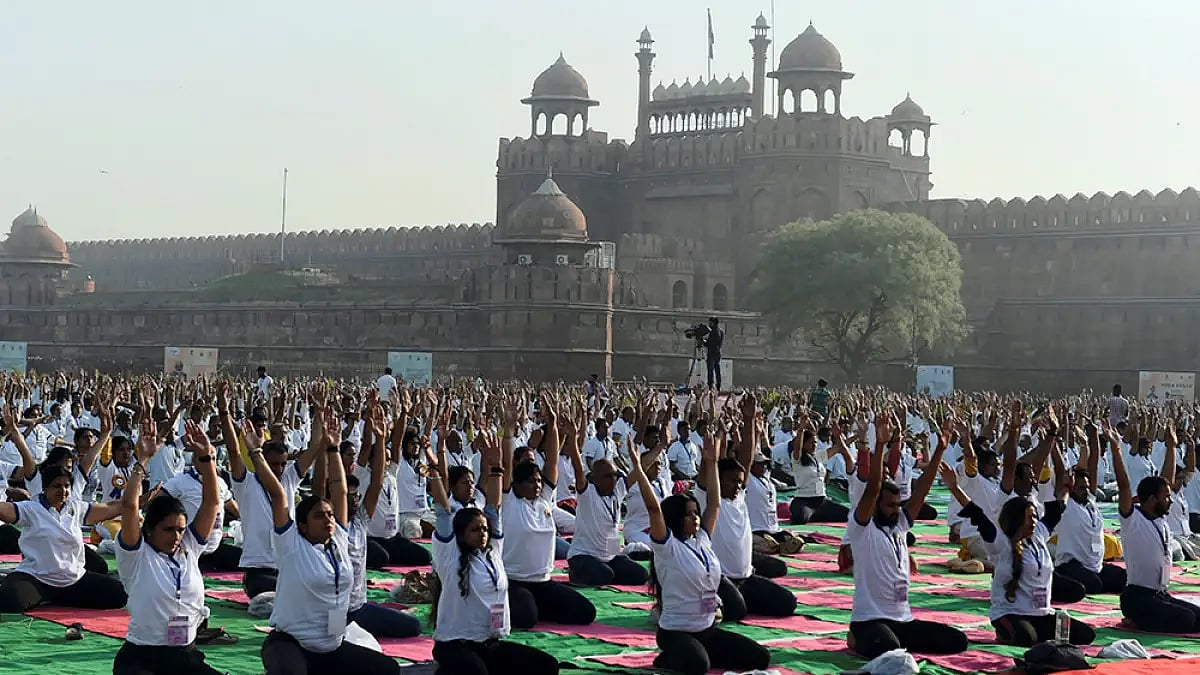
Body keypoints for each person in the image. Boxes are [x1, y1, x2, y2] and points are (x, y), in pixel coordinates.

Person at [256, 397, 401, 674]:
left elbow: (340, 488)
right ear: (302, 526)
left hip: (331, 645)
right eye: (319, 516)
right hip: (290, 644)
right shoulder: (292, 545)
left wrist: (337, 447)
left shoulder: (339, 541)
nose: (328, 520)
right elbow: (278, 494)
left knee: (388, 669)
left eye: (331, 515)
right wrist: (255, 455)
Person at [428, 422, 560, 675]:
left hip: (489, 642)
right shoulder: (449, 553)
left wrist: (496, 467)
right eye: (476, 530)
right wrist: (436, 470)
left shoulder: (493, 551)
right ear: (461, 534)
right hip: (455, 645)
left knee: (547, 666)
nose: (483, 534)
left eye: (485, 530)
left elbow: (493, 507)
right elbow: (442, 509)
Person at [642, 427, 770, 675]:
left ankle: (699, 652)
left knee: (760, 658)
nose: (696, 518)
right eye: (689, 515)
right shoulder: (667, 546)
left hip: (706, 628)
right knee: (698, 666)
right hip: (675, 632)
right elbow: (654, 509)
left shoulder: (702, 540)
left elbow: (714, 502)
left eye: (695, 513)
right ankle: (667, 659)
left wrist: (711, 462)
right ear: (676, 519)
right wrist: (638, 469)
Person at [845, 411, 967, 659]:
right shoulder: (862, 528)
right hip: (870, 620)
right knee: (890, 651)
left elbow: (921, 491)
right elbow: (872, 489)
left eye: (898, 505)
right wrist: (880, 445)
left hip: (903, 620)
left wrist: (939, 451)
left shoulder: (899, 525)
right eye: (890, 505)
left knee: (958, 640)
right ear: (876, 505)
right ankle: (856, 638)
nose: (896, 510)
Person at [111, 420, 224, 674]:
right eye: (169, 529)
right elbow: (129, 506)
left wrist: (207, 460)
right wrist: (143, 459)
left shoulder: (189, 548)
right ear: (149, 529)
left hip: (184, 654)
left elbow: (212, 503)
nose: (176, 536)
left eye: (181, 530)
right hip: (142, 658)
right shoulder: (136, 555)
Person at [323, 399, 421, 639]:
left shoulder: (361, 519)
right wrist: (332, 448)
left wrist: (381, 437)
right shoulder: (335, 525)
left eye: (357, 497)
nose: (355, 500)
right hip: (338, 609)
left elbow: (377, 482)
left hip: (359, 607)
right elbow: (338, 486)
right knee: (332, 643)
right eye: (351, 497)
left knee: (413, 627)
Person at [496, 396, 595, 628]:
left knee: (585, 613)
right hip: (515, 582)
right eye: (531, 481)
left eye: (539, 481)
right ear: (517, 484)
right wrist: (509, 430)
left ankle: (538, 606)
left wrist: (552, 424)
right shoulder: (510, 501)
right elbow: (507, 465)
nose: (537, 485)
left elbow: (552, 462)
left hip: (544, 582)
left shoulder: (544, 501)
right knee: (526, 620)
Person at [220, 383, 322, 600]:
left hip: (289, 564)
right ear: (262, 460)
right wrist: (223, 409)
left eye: (282, 464)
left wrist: (319, 412)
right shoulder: (245, 482)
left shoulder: (289, 479)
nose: (278, 469)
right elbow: (232, 449)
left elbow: (314, 448)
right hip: (259, 570)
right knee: (276, 598)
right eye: (273, 464)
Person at [697, 397, 796, 620]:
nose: (737, 485)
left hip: (745, 577)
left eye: (740, 481)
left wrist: (750, 420)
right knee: (737, 611)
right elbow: (709, 473)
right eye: (731, 481)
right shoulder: (709, 499)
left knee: (787, 603)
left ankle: (731, 601)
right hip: (720, 578)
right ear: (719, 479)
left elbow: (747, 456)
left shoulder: (740, 495)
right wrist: (710, 458)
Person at [0, 462, 129, 612]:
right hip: (37, 578)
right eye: (57, 486)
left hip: (73, 579)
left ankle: (58, 597)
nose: (63, 490)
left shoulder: (76, 508)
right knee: (10, 600)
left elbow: (111, 508)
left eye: (66, 486)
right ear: (45, 488)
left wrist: (138, 500)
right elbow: (5, 510)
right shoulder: (31, 508)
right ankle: (43, 594)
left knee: (119, 594)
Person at [1109, 422, 1200, 633]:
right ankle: (1136, 621)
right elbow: (1123, 484)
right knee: (1186, 620)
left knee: (1197, 618)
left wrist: (1172, 447)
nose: (1170, 500)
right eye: (1166, 497)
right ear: (1150, 500)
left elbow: (1165, 479)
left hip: (1160, 593)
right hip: (1137, 596)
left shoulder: (1160, 518)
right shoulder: (1133, 519)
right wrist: (1115, 449)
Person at [564, 424, 650, 587]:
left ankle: (602, 571)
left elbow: (639, 472)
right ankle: (575, 573)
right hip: (583, 555)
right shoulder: (587, 493)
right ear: (594, 477)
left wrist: (636, 459)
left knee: (641, 575)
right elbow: (577, 467)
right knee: (605, 575)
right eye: (607, 476)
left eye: (614, 475)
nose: (612, 479)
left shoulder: (617, 490)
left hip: (609, 555)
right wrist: (573, 439)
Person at [1053, 424, 1126, 595]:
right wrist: (1052, 439)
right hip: (1070, 564)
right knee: (1093, 586)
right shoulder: (1066, 504)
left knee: (1124, 580)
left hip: (1095, 565)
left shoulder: (1090, 503)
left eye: (1086, 487)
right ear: (1071, 487)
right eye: (1080, 487)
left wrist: (1092, 437)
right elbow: (1059, 468)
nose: (1085, 489)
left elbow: (1092, 466)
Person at [704, 317, 723, 392]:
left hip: (711, 353)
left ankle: (710, 386)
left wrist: (703, 341)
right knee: (717, 370)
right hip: (717, 353)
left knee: (710, 370)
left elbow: (709, 343)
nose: (709, 324)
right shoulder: (721, 331)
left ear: (713, 323)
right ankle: (718, 386)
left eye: (710, 322)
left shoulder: (713, 332)